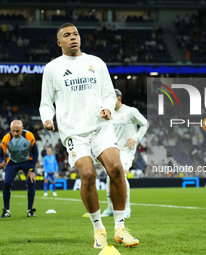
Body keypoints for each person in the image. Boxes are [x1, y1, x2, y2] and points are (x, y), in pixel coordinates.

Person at [39, 23, 139, 249]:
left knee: (116, 168)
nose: (73, 38)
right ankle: (98, 230)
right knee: (87, 175)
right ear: (59, 42)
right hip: (74, 132)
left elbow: (108, 94)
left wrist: (108, 108)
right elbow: (46, 103)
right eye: (67, 35)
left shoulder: (97, 62)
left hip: (100, 127)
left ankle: (120, 228)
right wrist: (47, 118)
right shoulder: (52, 68)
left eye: (75, 34)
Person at [101, 88, 148, 218]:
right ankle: (110, 208)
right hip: (112, 150)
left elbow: (145, 124)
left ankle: (126, 208)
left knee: (121, 175)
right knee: (109, 178)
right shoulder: (109, 114)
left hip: (126, 150)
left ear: (119, 99)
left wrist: (135, 138)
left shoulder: (131, 111)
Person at [0, 120, 38, 218]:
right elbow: (0, 155)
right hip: (13, 162)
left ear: (22, 129)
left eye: (17, 131)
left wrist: (31, 170)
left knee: (31, 182)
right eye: (13, 131)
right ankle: (6, 210)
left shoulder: (29, 136)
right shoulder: (7, 138)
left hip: (27, 161)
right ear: (10, 129)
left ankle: (30, 211)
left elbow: (35, 153)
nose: (15, 133)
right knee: (6, 183)